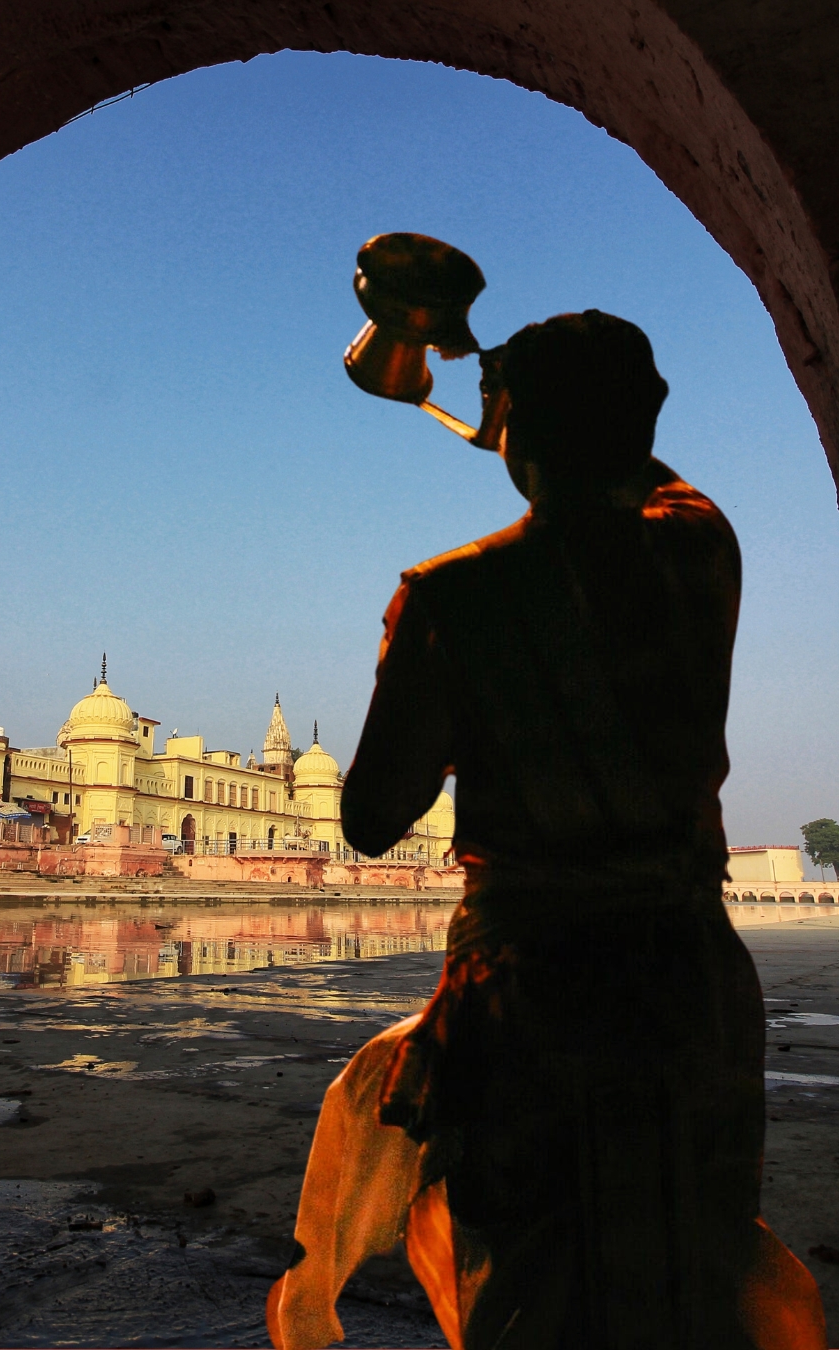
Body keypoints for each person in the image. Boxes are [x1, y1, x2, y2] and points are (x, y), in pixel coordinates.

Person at [266, 311, 826, 1350]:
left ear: (514, 421)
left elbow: (373, 816)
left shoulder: (454, 597)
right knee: (690, 1272)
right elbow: (634, 468)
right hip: (685, 987)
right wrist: (503, 401)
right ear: (645, 415)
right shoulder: (700, 550)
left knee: (536, 1290)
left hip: (535, 1004)